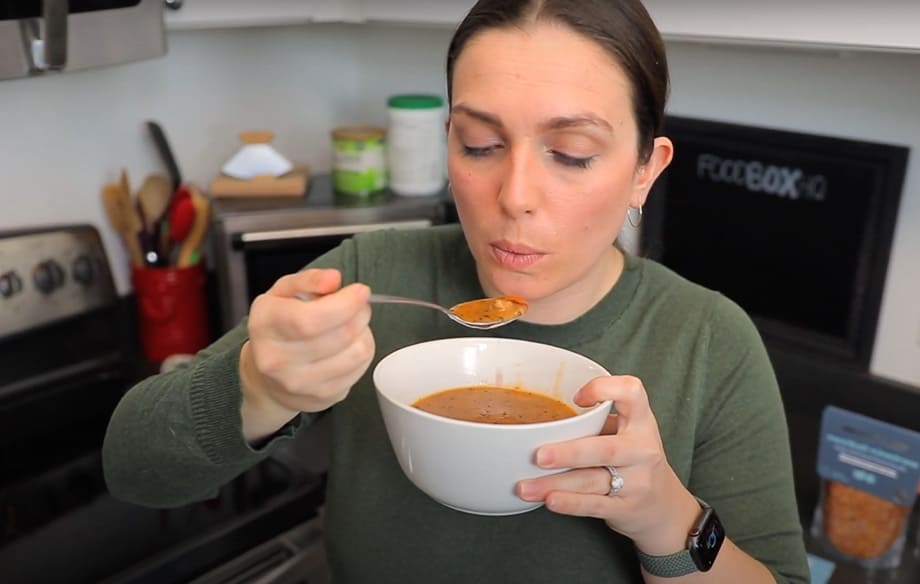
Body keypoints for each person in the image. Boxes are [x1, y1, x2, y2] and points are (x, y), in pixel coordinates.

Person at [103, 0, 810, 582]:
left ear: (643, 171)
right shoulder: (370, 275)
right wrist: (259, 384)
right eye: (479, 144)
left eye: (571, 155)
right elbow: (133, 470)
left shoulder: (707, 339)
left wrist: (666, 518)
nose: (515, 197)